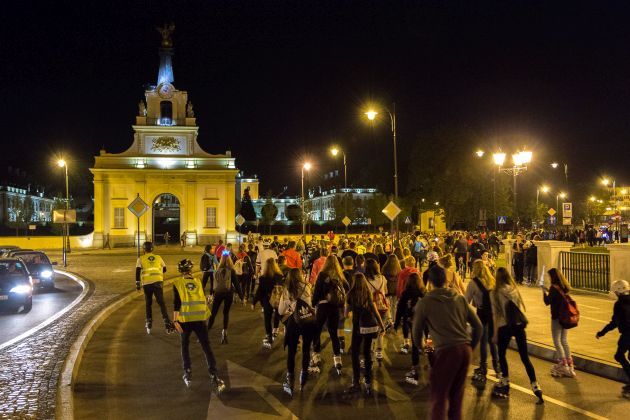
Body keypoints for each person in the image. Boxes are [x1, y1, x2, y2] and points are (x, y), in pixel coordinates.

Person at [412, 265, 483, 420]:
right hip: (464, 350)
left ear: (430, 282)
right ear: (446, 280)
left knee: (439, 396)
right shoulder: (459, 298)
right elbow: (478, 326)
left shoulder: (425, 302)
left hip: (445, 351)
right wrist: (470, 346)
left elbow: (416, 332)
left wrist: (421, 346)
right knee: (456, 398)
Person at [172, 259, 225, 393]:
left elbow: (176, 303)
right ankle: (214, 375)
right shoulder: (197, 281)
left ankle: (188, 372)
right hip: (200, 319)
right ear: (190, 270)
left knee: (185, 345)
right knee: (206, 346)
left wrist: (175, 321)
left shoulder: (177, 283)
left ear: (180, 271)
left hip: (185, 319)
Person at [491, 267, 544, 403]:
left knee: (501, 354)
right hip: (518, 325)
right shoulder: (514, 289)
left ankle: (505, 381)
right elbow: (518, 308)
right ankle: (535, 385)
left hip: (504, 326)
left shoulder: (495, 293)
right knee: (525, 357)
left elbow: (496, 315)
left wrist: (495, 333)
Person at [344, 272, 386, 397]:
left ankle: (356, 381)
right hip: (369, 327)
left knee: (355, 354)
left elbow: (346, 314)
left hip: (357, 328)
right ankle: (368, 382)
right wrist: (382, 325)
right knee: (367, 353)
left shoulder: (350, 295)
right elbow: (374, 310)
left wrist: (350, 310)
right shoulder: (368, 294)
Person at [278, 268, 317, 396]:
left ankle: (290, 378)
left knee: (292, 351)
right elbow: (310, 304)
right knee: (306, 349)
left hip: (293, 323)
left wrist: (290, 306)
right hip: (307, 321)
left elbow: (280, 311)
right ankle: (303, 376)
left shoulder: (287, 289)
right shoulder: (307, 286)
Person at [465, 260, 501, 388]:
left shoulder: (473, 283)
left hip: (481, 313)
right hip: (493, 313)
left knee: (483, 339)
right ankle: (497, 366)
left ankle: (483, 366)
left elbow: (466, 301)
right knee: (492, 340)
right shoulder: (491, 281)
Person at [311, 255, 348, 374]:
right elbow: (346, 288)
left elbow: (316, 292)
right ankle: (337, 358)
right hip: (335, 308)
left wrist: (313, 303)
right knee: (333, 333)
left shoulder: (322, 275)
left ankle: (316, 354)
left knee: (316, 330)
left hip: (322, 306)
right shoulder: (339, 275)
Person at [596, 279, 630, 399]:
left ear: (618, 292)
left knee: (619, 356)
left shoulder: (619, 305)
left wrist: (602, 332)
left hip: (627, 335)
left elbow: (614, 323)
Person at [542, 268, 576, 378]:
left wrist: (543, 291)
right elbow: (555, 297)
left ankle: (563, 364)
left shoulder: (553, 288)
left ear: (553, 277)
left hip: (556, 317)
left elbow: (547, 302)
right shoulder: (563, 286)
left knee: (557, 341)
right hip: (565, 317)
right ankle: (570, 365)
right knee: (564, 340)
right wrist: (548, 290)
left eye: (549, 276)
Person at [135, 241, 174, 334]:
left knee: (148, 303)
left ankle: (149, 321)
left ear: (144, 249)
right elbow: (164, 269)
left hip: (147, 283)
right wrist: (158, 272)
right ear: (152, 249)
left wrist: (138, 285)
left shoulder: (140, 258)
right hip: (158, 282)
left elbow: (137, 272)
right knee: (161, 303)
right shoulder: (158, 257)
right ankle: (167, 322)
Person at [394, 272, 425, 384]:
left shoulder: (406, 293)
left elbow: (400, 309)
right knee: (426, 343)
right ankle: (431, 364)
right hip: (424, 321)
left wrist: (396, 323)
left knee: (414, 344)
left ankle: (415, 367)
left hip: (412, 320)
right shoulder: (423, 293)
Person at [207, 253, 241, 344]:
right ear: (230, 260)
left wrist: (212, 294)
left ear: (221, 260)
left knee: (213, 313)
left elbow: (214, 284)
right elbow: (237, 285)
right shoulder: (231, 271)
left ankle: (206, 332)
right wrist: (242, 297)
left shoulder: (217, 270)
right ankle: (224, 332)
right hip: (228, 293)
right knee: (225, 313)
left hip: (218, 293)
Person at [253, 257, 284, 348]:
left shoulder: (263, 278)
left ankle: (269, 337)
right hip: (277, 299)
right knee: (278, 314)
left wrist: (254, 302)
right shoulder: (279, 276)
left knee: (267, 318)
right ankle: (276, 328)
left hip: (267, 300)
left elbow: (260, 291)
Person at [365, 259, 390, 366]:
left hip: (371, 308)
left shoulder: (366, 280)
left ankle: (370, 352)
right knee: (381, 331)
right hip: (383, 307)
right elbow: (386, 292)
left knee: (371, 331)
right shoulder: (383, 278)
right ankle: (379, 352)